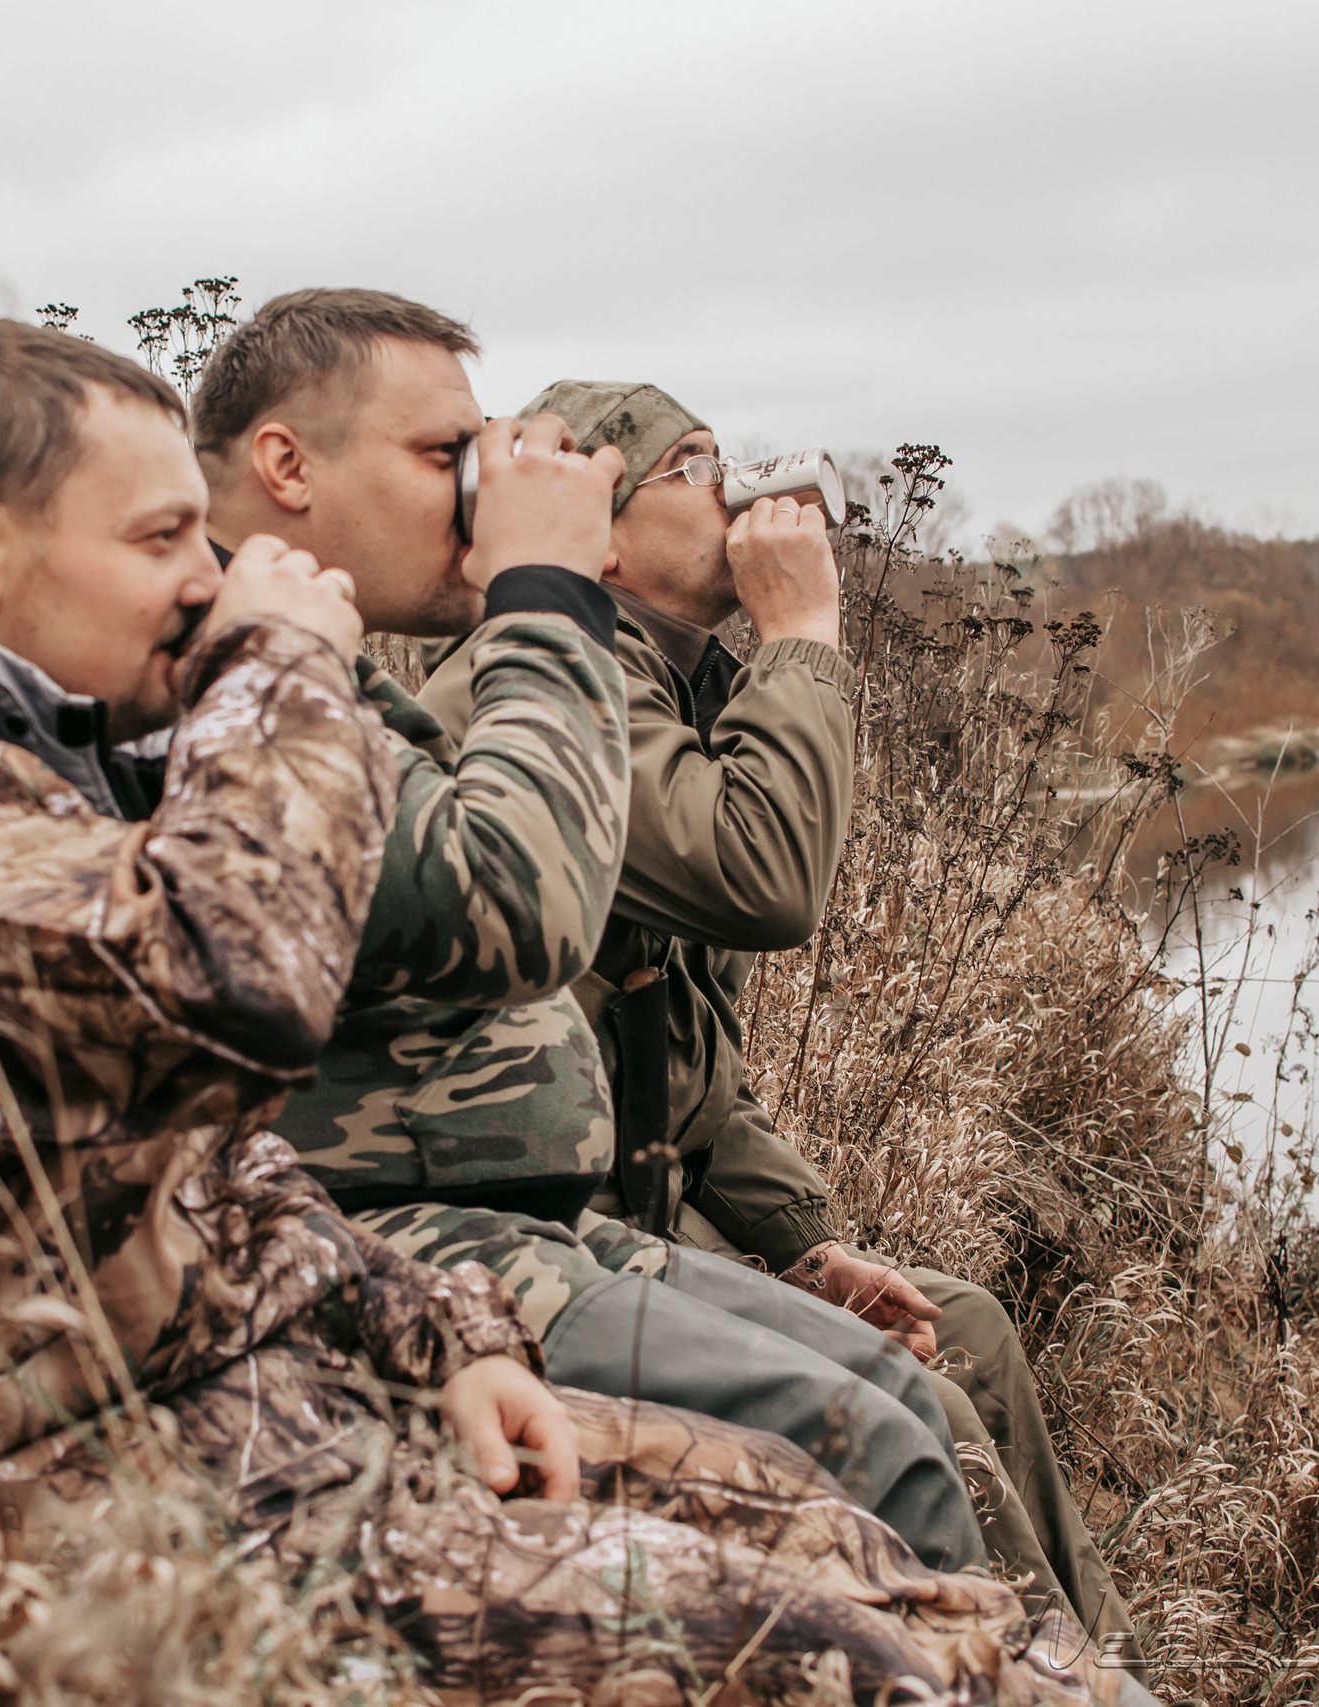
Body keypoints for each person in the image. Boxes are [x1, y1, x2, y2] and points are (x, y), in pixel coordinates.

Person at [0, 320, 1136, 1703]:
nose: (206, 580)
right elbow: (248, 982)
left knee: (835, 1539)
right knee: (864, 1642)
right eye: (159, 540)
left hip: (243, 1424)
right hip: (66, 1524)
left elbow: (203, 1153)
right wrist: (299, 655)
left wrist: (435, 1337)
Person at [192, 291, 983, 1576]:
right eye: (447, 455)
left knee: (912, 1399)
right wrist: (548, 587)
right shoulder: (256, 673)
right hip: (395, 1232)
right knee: (883, 1440)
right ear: (287, 464)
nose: (477, 490)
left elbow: (678, 1039)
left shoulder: (329, 667)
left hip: (517, 1215)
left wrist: (796, 1236)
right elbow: (548, 909)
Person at [418, 378, 1144, 1666]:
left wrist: (806, 1241)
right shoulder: (543, 690)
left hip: (646, 1187)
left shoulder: (669, 680)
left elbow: (695, 1060)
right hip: (552, 1222)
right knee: (922, 1401)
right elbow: (763, 875)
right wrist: (804, 630)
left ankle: (1107, 1671)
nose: (739, 492)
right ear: (594, 521)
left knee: (960, 1321)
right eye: (694, 469)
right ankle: (1011, 1676)